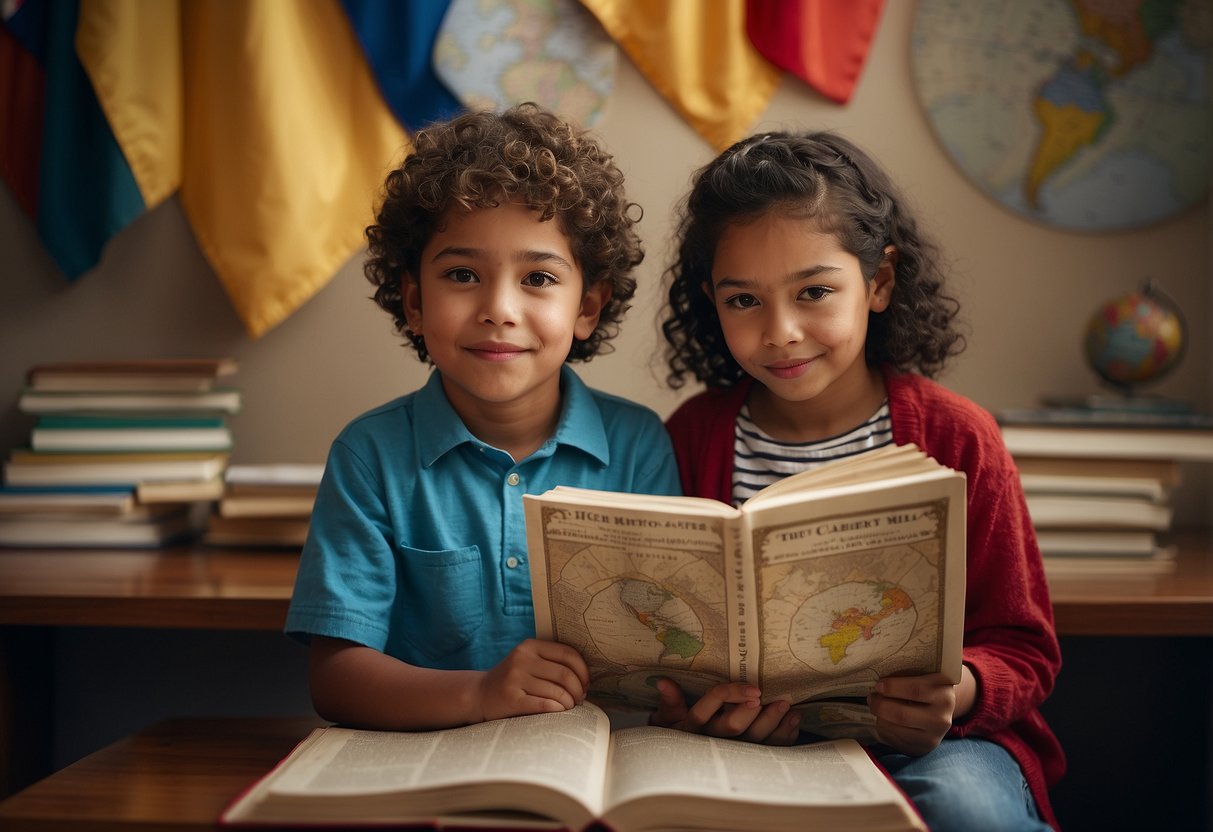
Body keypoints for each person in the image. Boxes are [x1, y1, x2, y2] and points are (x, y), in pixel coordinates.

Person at [655, 131, 1065, 831]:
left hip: (936, 747)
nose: (781, 331)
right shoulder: (692, 435)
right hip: (753, 744)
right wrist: (696, 699)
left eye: (813, 291)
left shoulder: (957, 437)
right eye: (743, 301)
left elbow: (1022, 646)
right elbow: (672, 631)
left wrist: (958, 692)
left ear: (877, 281)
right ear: (710, 301)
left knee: (964, 808)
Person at [285, 103, 681, 732]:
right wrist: (482, 694)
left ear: (589, 307)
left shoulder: (637, 446)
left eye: (538, 278)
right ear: (414, 302)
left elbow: (671, 650)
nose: (499, 308)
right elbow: (335, 679)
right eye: (464, 274)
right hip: (424, 774)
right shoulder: (370, 455)